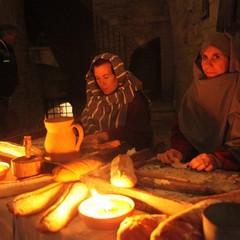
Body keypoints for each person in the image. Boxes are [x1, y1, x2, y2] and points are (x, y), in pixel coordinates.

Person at [157, 32, 240, 172]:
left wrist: (218, 159)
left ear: (231, 59)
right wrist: (179, 151)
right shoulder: (196, 90)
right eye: (204, 57)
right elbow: (185, 129)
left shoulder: (237, 90)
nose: (208, 64)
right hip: (199, 168)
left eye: (216, 57)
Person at [80, 52, 153, 151]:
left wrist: (106, 135)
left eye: (106, 77)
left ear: (118, 76)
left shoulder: (132, 97)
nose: (102, 83)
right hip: (96, 150)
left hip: (128, 152)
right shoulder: (95, 97)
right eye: (97, 78)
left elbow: (141, 135)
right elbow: (86, 120)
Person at [0, 24, 19, 137]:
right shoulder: (2, 49)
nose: (15, 40)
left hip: (6, 92)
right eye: (14, 36)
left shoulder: (7, 48)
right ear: (7, 35)